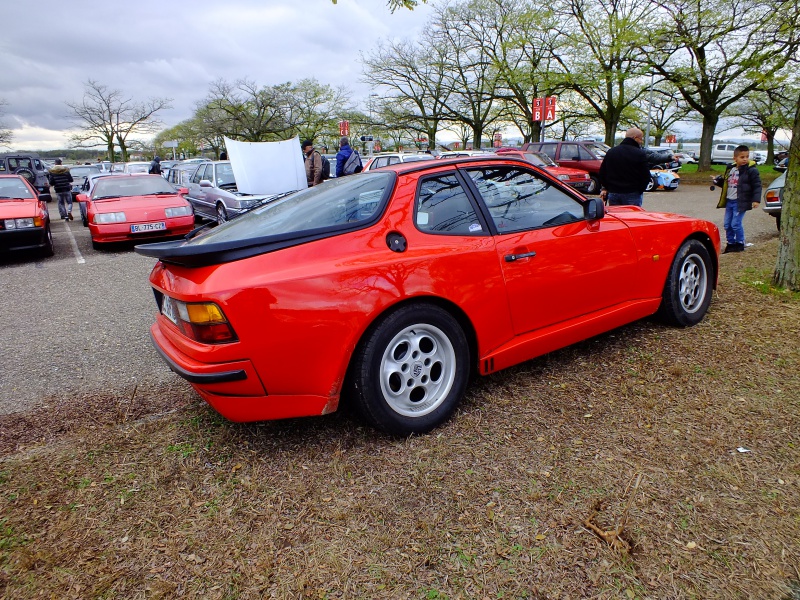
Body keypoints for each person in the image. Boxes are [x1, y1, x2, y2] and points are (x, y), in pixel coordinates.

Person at [712, 145, 762, 253]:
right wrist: (717, 181)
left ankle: (740, 243)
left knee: (735, 224)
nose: (745, 159)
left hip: (740, 202)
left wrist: (756, 200)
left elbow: (757, 185)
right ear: (735, 158)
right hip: (730, 201)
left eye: (747, 157)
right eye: (742, 157)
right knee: (727, 224)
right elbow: (727, 184)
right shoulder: (731, 169)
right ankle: (731, 244)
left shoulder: (751, 171)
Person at [598, 127, 651, 206]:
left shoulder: (611, 152)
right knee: (631, 217)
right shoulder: (639, 153)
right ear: (635, 138)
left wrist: (607, 187)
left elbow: (602, 172)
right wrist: (640, 189)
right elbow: (646, 175)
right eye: (641, 139)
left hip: (614, 192)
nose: (641, 141)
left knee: (616, 216)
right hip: (632, 192)